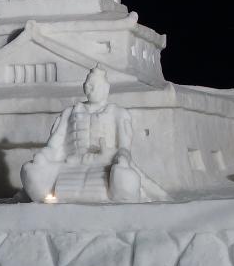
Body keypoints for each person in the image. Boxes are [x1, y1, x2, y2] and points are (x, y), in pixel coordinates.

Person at [21, 65, 167, 203]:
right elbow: (54, 145)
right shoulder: (70, 113)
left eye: (93, 85)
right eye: (87, 84)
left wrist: (121, 157)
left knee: (125, 177)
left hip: (105, 166)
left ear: (105, 88)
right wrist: (44, 156)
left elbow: (125, 148)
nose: (89, 88)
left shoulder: (118, 114)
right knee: (31, 170)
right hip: (70, 166)